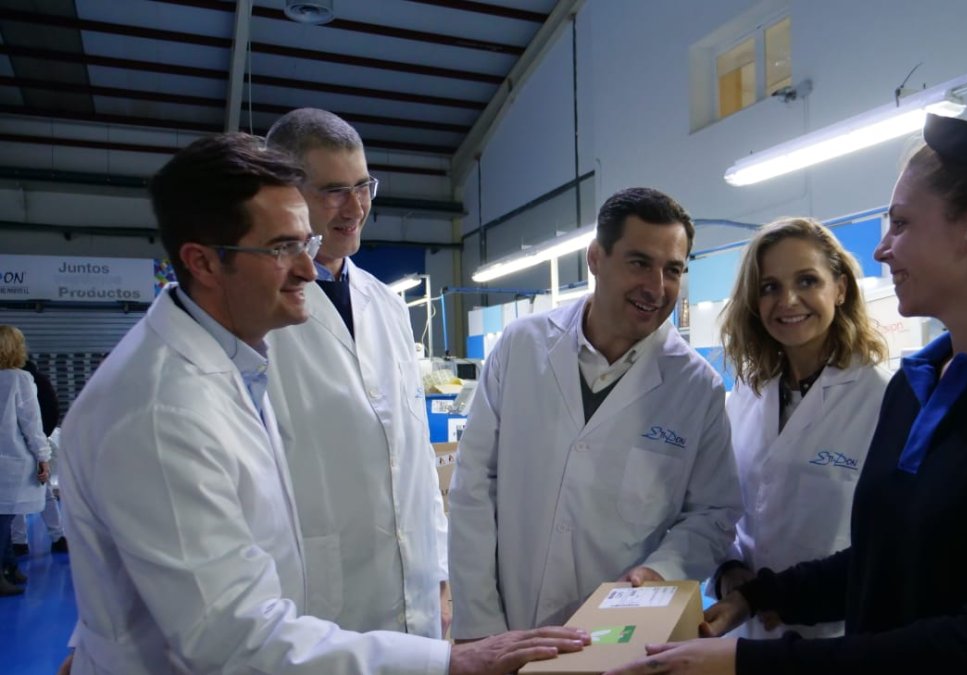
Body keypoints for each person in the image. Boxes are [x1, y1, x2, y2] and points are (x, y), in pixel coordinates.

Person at [605, 106, 967, 675]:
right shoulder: (918, 385)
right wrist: (760, 596)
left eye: (900, 223)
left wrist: (750, 663)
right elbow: (882, 564)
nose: (881, 249)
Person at [57, 132, 587, 674]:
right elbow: (231, 640)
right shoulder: (162, 409)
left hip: (344, 627)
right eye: (282, 248)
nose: (309, 270)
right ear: (204, 263)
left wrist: (439, 580)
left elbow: (406, 459)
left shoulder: (233, 359)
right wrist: (447, 664)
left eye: (304, 244)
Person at [449, 187, 744, 639]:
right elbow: (473, 487)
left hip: (622, 634)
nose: (656, 287)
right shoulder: (521, 346)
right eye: (639, 262)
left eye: (673, 270)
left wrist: (660, 570)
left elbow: (713, 513)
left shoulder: (697, 387)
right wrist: (479, 626)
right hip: (510, 624)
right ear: (595, 258)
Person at [263, 108, 450, 637]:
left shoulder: (387, 304)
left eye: (364, 185)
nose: (357, 207)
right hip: (318, 601)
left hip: (416, 592)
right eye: (334, 191)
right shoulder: (259, 315)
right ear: (286, 191)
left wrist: (438, 571)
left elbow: (412, 453)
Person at [711, 217, 889, 640]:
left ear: (840, 288)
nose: (788, 300)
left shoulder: (883, 398)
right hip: (747, 628)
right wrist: (728, 569)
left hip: (834, 635)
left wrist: (788, 596)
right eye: (769, 287)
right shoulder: (747, 395)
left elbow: (890, 546)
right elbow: (725, 506)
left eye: (807, 281)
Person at [0, 324, 52, 595]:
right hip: (12, 460)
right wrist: (43, 457)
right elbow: (31, 424)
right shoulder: (19, 379)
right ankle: (3, 571)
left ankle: (8, 566)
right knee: (4, 521)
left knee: (4, 520)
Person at [11, 357, 67, 556]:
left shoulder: (23, 380)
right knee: (43, 492)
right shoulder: (32, 379)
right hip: (31, 444)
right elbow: (50, 411)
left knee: (14, 496)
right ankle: (57, 536)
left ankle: (20, 541)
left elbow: (41, 415)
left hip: (19, 446)